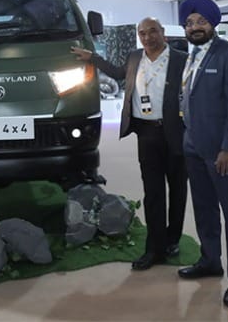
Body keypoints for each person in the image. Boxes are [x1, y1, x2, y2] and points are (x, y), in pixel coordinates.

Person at [71, 17, 188, 271]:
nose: (147, 37)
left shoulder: (181, 59)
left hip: (175, 133)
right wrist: (92, 58)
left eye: (152, 31)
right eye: (142, 33)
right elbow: (117, 73)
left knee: (178, 189)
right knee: (153, 192)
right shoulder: (135, 57)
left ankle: (173, 240)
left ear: (163, 33)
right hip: (146, 133)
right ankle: (154, 248)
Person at [176, 0, 228, 308]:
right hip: (193, 146)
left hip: (222, 150)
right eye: (189, 23)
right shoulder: (191, 55)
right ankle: (210, 260)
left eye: (201, 21)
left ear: (213, 23)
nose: (194, 27)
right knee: (204, 209)